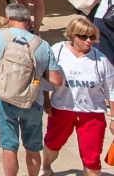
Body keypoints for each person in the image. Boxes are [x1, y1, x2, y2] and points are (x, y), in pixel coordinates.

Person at [0, 3, 63, 176]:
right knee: (32, 148)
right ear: (29, 22)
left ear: (8, 19)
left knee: (9, 146)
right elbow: (56, 80)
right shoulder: (43, 45)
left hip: (5, 98)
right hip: (33, 100)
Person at [42, 15, 114, 176]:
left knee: (91, 158)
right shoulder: (57, 50)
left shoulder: (101, 60)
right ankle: (46, 167)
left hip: (92, 114)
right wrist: (46, 101)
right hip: (61, 109)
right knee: (52, 143)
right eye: (83, 36)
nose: (88, 41)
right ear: (72, 35)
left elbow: (112, 90)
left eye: (92, 37)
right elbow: (46, 78)